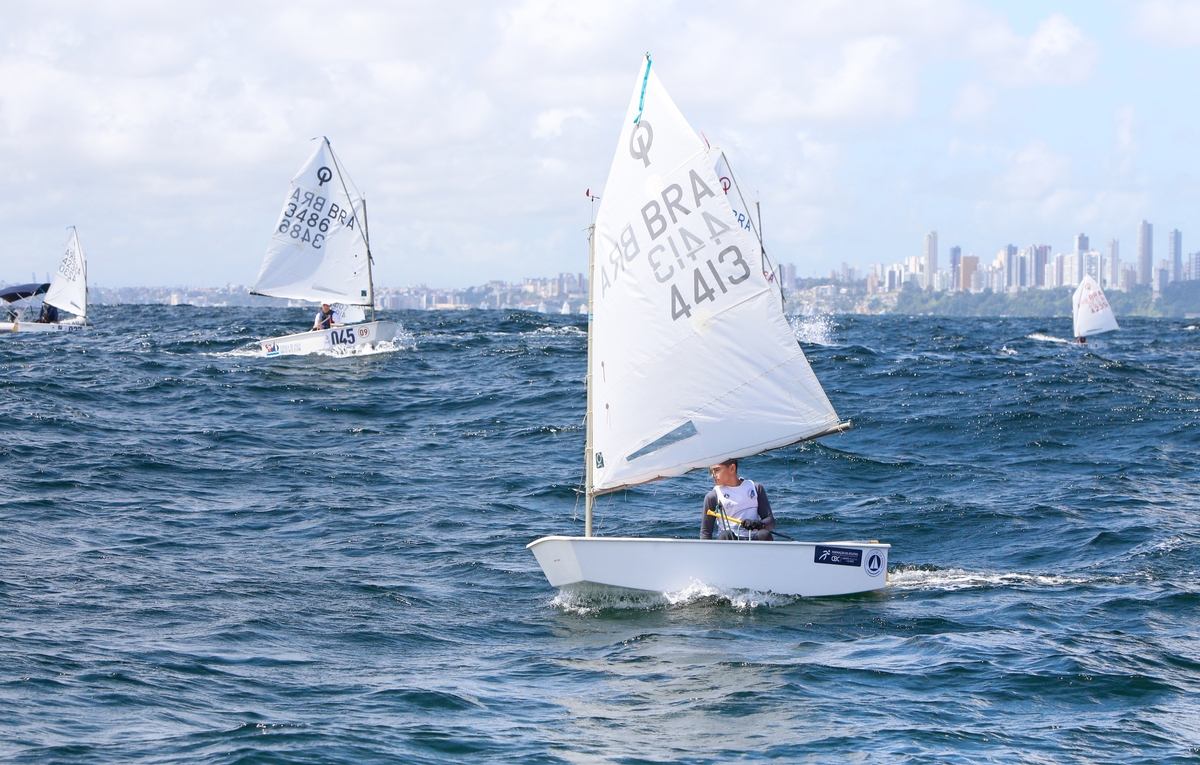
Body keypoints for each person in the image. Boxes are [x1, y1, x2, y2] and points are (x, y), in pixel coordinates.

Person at [700, 458, 775, 541]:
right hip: (730, 541)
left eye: (717, 470)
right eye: (712, 471)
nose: (713, 475)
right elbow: (705, 533)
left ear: (732, 468)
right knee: (726, 535)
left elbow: (770, 521)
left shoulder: (755, 488)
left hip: (754, 539)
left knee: (764, 534)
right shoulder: (713, 496)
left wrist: (759, 524)